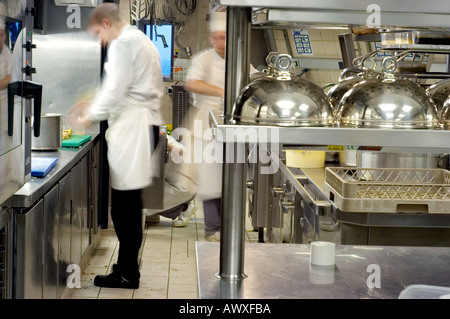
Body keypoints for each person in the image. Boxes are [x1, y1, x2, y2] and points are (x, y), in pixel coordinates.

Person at [70, 3, 164, 289]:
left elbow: (115, 90)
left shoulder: (123, 44)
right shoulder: (141, 40)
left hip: (133, 128)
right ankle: (126, 267)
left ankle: (127, 273)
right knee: (128, 203)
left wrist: (88, 115)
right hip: (141, 124)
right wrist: (94, 103)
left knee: (125, 207)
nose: (100, 40)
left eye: (98, 33)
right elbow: (121, 87)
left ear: (107, 23)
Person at [185, 12, 227, 242]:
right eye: (216, 38)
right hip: (206, 127)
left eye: (224, 37)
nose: (220, 42)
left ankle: (228, 227)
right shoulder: (204, 59)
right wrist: (221, 91)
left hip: (231, 128)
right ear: (211, 39)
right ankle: (212, 229)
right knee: (210, 182)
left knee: (230, 180)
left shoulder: (239, 59)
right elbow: (191, 82)